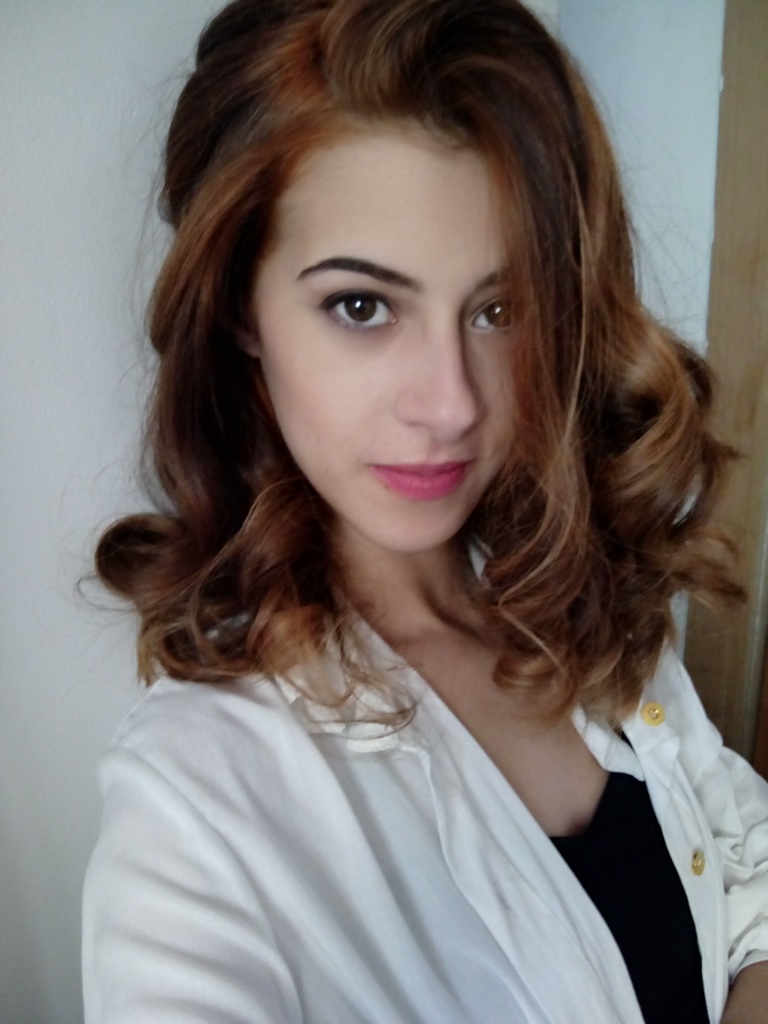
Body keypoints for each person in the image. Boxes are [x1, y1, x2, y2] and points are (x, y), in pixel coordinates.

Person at [81, 1, 768, 1021]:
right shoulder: (197, 802)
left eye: (499, 309)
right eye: (362, 306)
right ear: (240, 308)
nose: (452, 404)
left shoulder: (580, 601)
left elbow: (751, 880)